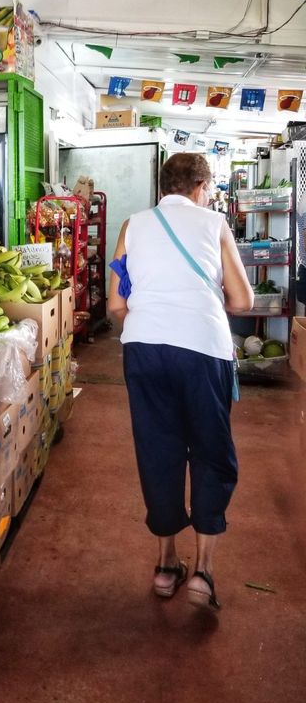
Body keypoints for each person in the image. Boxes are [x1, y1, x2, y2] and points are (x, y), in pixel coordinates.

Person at [108, 152, 253, 611]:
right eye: (208, 188)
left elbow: (115, 305)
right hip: (203, 350)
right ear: (200, 186)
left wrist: (149, 322)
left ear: (163, 187)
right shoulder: (214, 224)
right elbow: (244, 299)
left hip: (144, 350)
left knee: (159, 451)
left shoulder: (132, 225)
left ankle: (165, 567)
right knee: (210, 452)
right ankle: (203, 575)